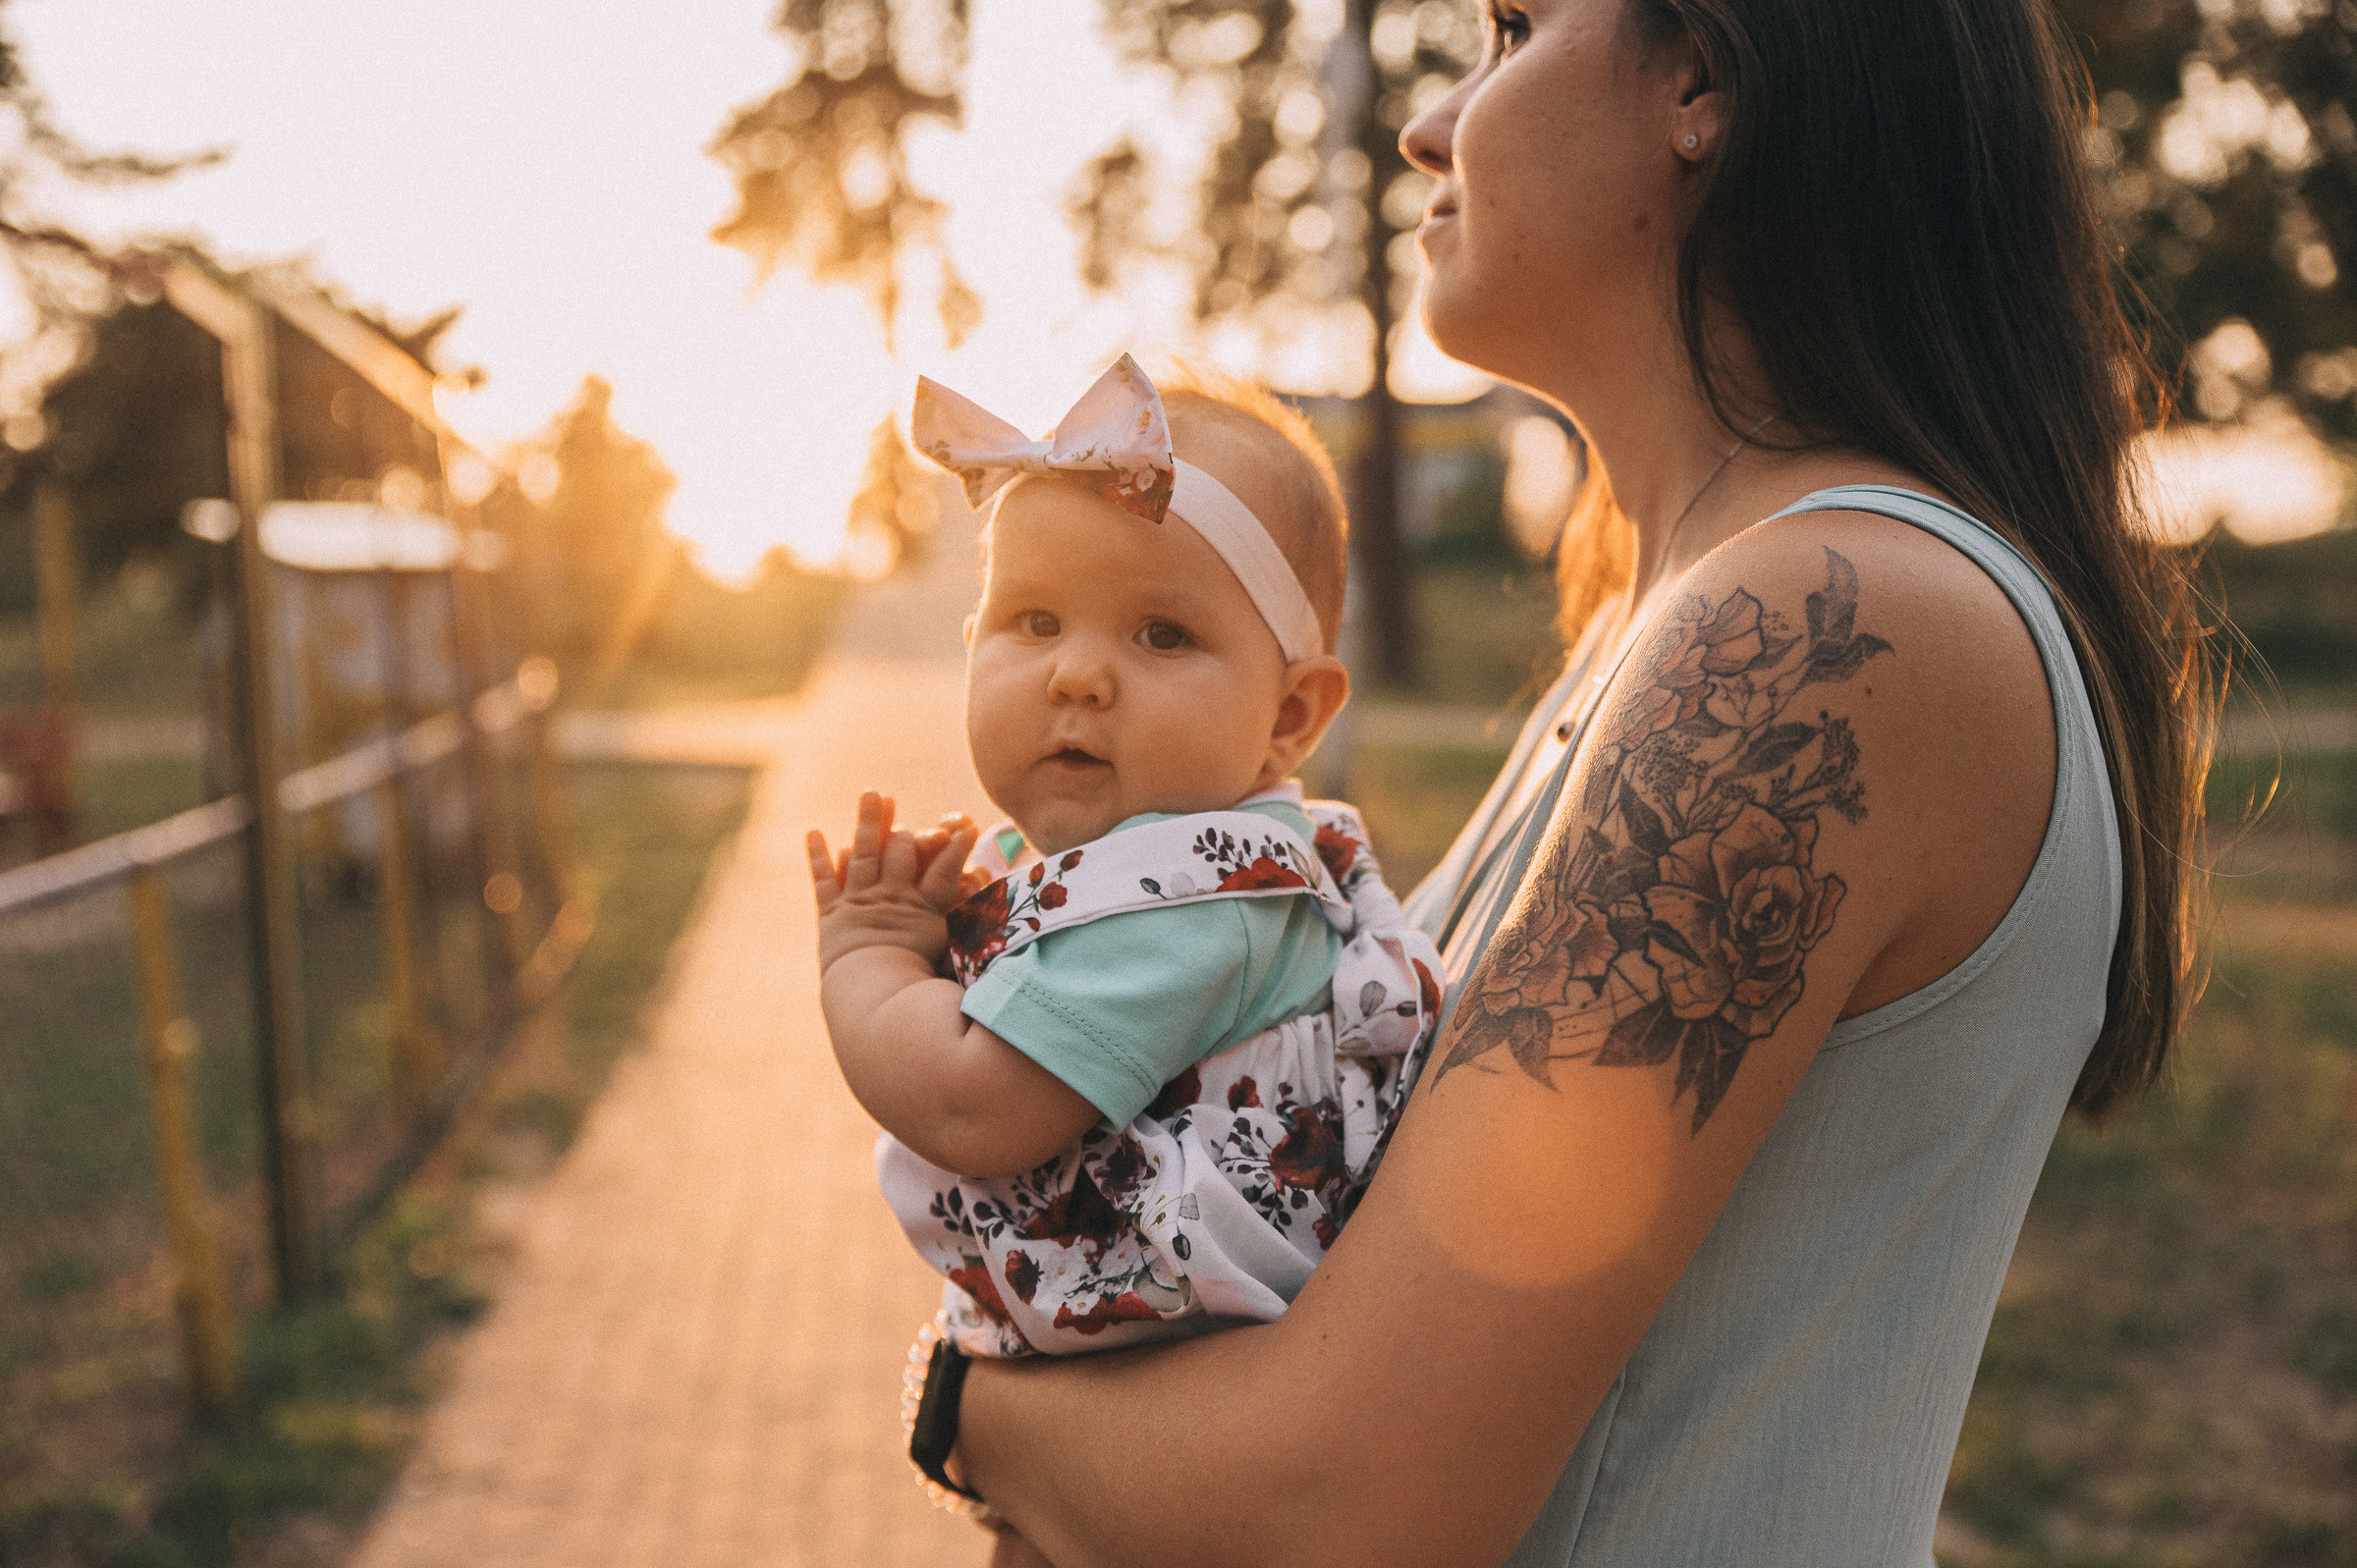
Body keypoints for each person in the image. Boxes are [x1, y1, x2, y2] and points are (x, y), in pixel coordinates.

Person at [925, 1, 2213, 1564]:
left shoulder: (1826, 633)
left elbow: (1348, 1502)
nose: (1428, 124)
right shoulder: (1674, 616)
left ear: (1706, 78)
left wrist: (965, 1402)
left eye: (1514, 26)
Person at [805, 358, 1442, 1541]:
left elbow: (968, 1107)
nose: (1079, 672)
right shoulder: (1173, 867)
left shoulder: (1187, 904)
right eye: (1032, 621)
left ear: (1290, 716)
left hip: (1179, 1438)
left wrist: (868, 960)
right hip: (1149, 1399)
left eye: (1161, 632)